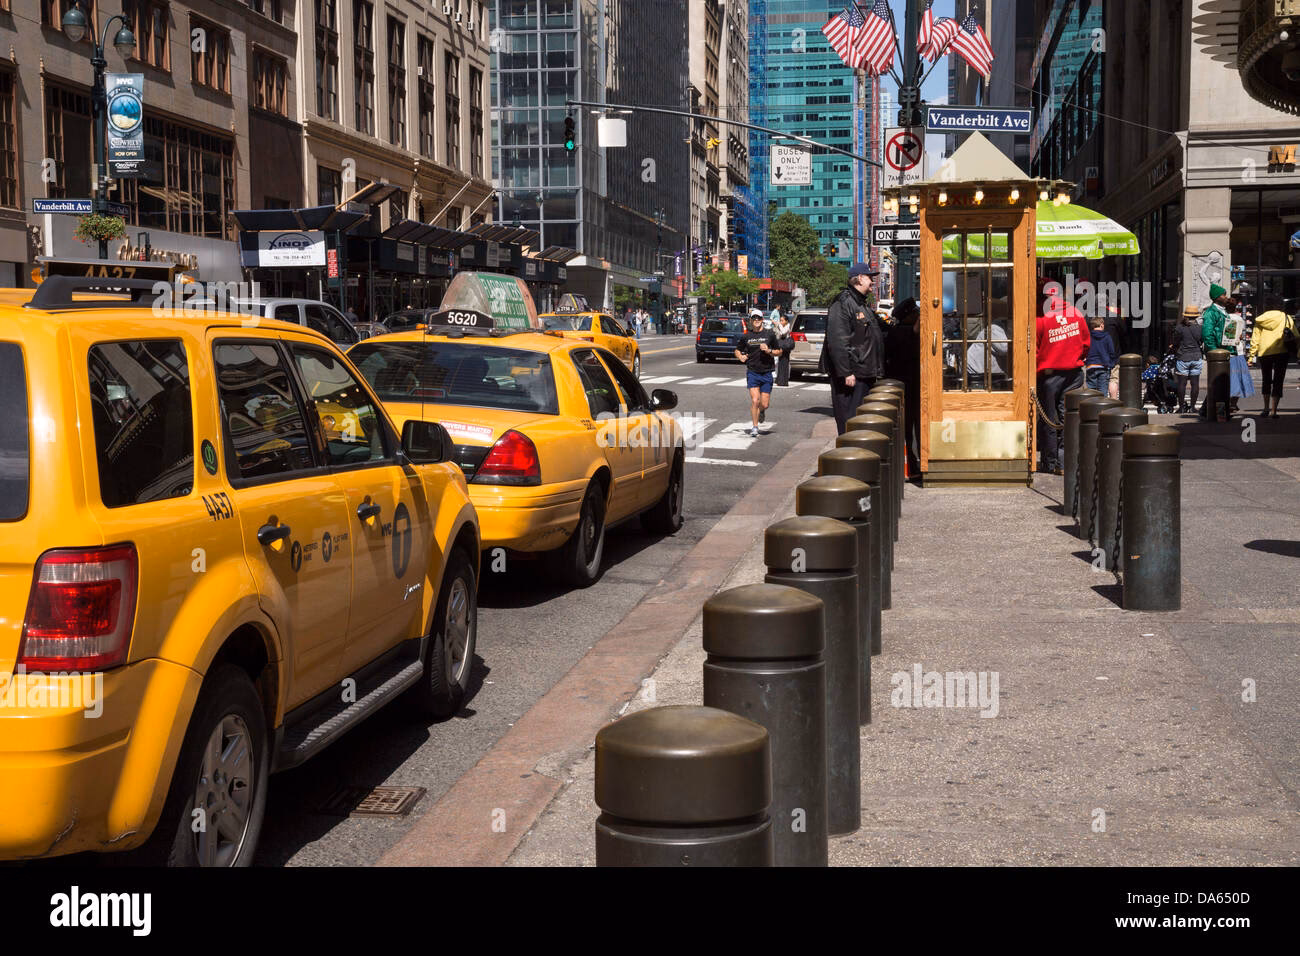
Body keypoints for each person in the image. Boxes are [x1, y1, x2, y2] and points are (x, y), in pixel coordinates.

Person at [1035, 276, 1090, 474]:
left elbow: (1033, 348)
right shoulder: (1076, 313)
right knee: (1070, 417)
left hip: (1049, 375)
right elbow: (1085, 344)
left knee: (1050, 419)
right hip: (1074, 373)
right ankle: (1066, 461)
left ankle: (1051, 463)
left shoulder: (1040, 317)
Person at [825, 263, 885, 434]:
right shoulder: (843, 302)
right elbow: (837, 340)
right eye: (870, 277)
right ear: (859, 279)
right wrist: (846, 371)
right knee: (849, 425)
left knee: (859, 424)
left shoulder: (861, 304)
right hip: (852, 376)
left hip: (863, 374)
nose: (872, 281)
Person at [1201, 284, 1253, 413]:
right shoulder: (1211, 313)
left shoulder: (1222, 311)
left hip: (1227, 351)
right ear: (1216, 297)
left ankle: (1215, 411)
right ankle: (1211, 411)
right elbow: (1207, 334)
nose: (1226, 297)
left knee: (1222, 383)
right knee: (1218, 383)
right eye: (1223, 295)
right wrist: (1214, 351)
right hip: (1219, 352)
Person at [885, 297, 921, 475]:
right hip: (906, 385)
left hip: (905, 384)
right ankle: (911, 466)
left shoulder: (897, 331)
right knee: (909, 428)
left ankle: (912, 465)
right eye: (915, 312)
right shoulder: (902, 333)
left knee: (910, 427)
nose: (917, 315)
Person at [1248, 294, 1297, 418]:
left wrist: (1251, 356)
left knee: (1266, 380)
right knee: (1278, 381)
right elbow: (1296, 335)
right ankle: (1274, 410)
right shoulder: (1286, 317)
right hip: (1282, 352)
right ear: (1280, 305)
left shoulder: (1261, 319)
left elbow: (1255, 338)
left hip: (1265, 352)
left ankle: (1265, 408)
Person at [736, 309, 781, 437]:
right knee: (755, 400)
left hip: (766, 372)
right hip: (753, 372)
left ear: (762, 320)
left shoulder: (769, 334)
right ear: (750, 320)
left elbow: (779, 351)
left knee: (764, 404)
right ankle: (755, 427)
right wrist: (740, 357)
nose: (756, 320)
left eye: (759, 318)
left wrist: (769, 351)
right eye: (754, 318)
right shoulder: (746, 336)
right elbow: (737, 350)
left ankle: (761, 411)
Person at [1171, 305, 1204, 413]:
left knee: (1182, 384)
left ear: (1185, 316)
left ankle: (1181, 408)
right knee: (1195, 383)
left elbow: (1175, 342)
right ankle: (1193, 407)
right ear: (1196, 317)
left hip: (1183, 357)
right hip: (1196, 356)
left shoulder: (1180, 328)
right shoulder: (1199, 328)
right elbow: (1202, 340)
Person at [1084, 315, 1117, 393]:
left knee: (1091, 391)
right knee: (1102, 391)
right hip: (1103, 366)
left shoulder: (1089, 336)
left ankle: (1090, 404)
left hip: (1091, 365)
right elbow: (1111, 351)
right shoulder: (1107, 337)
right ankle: (1102, 404)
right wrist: (1112, 363)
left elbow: (1085, 349)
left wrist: (1086, 360)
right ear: (1102, 325)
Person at [773, 307, 793, 386]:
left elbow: (783, 333)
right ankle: (779, 379)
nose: (780, 322)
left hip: (786, 346)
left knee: (784, 363)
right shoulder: (781, 326)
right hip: (781, 344)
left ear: (786, 321)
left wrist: (779, 325)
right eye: (780, 320)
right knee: (779, 363)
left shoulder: (788, 326)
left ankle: (783, 380)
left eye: (782, 320)